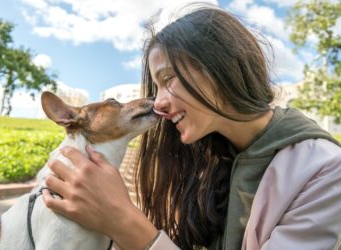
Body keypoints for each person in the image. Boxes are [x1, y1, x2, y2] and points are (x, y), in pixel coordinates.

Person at [42, 4, 341, 250]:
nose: (157, 104)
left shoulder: (325, 170)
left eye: (169, 79)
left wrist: (123, 222)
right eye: (156, 87)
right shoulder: (201, 159)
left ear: (223, 64)